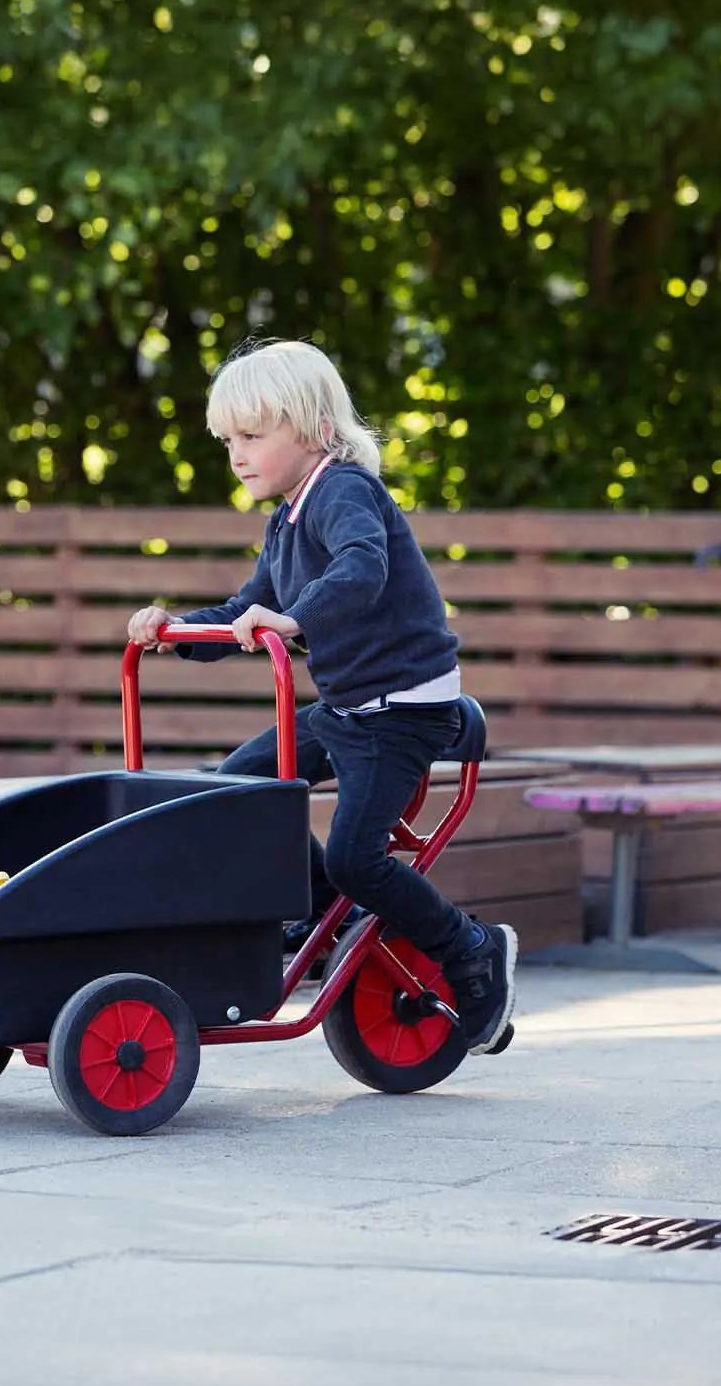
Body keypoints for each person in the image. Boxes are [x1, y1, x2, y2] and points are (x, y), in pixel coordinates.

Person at [127, 338, 516, 1055]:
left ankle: (470, 947)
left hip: (404, 711)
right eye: (228, 441)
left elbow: (362, 570)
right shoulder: (286, 522)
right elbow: (248, 605)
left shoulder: (345, 492)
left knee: (355, 860)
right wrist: (171, 629)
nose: (237, 455)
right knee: (234, 789)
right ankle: (319, 914)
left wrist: (297, 619)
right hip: (346, 708)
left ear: (308, 427)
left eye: (252, 436)